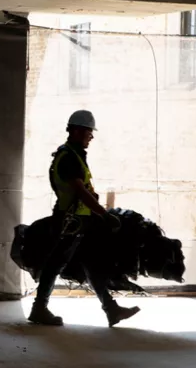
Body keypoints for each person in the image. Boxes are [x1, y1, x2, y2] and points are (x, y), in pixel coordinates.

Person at [28, 110, 141, 327]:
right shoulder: (69, 157)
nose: (92, 136)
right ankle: (39, 308)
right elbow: (80, 192)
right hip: (70, 222)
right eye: (89, 132)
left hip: (79, 220)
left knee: (91, 263)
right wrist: (104, 214)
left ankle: (111, 309)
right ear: (78, 131)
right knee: (55, 264)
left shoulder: (74, 154)